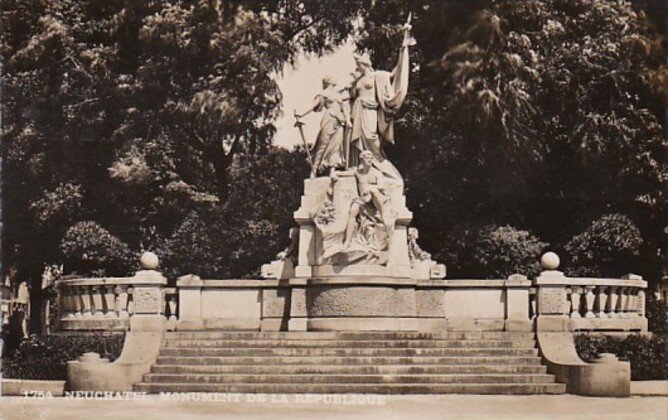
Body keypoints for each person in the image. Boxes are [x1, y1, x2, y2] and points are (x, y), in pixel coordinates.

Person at [348, 20, 415, 182]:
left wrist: (403, 50)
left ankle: (390, 174)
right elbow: (350, 98)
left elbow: (396, 72)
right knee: (356, 145)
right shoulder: (358, 80)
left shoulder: (378, 75)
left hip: (370, 112)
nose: (358, 67)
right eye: (357, 65)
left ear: (365, 64)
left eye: (359, 64)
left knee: (372, 142)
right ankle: (361, 170)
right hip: (357, 112)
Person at [294, 75, 349, 178]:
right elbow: (312, 106)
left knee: (337, 146)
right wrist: (301, 113)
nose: (335, 79)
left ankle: (332, 170)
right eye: (333, 78)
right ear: (329, 81)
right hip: (329, 119)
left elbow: (346, 104)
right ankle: (314, 170)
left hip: (340, 121)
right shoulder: (323, 94)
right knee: (323, 144)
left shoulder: (338, 95)